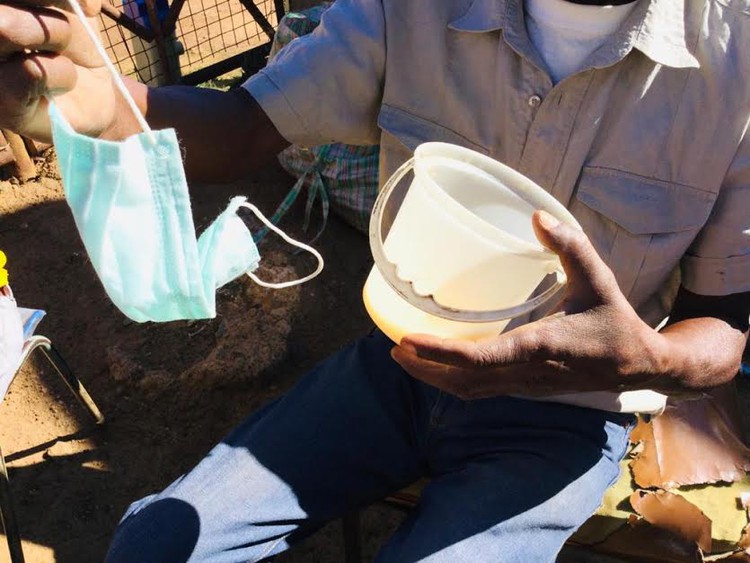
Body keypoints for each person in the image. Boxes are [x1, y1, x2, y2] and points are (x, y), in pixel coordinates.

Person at [1, 0, 749, 560]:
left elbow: (721, 326)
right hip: (396, 364)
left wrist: (644, 361)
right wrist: (89, 106)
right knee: (154, 547)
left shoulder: (736, 60)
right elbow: (247, 127)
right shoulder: (411, 7)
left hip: (565, 419)